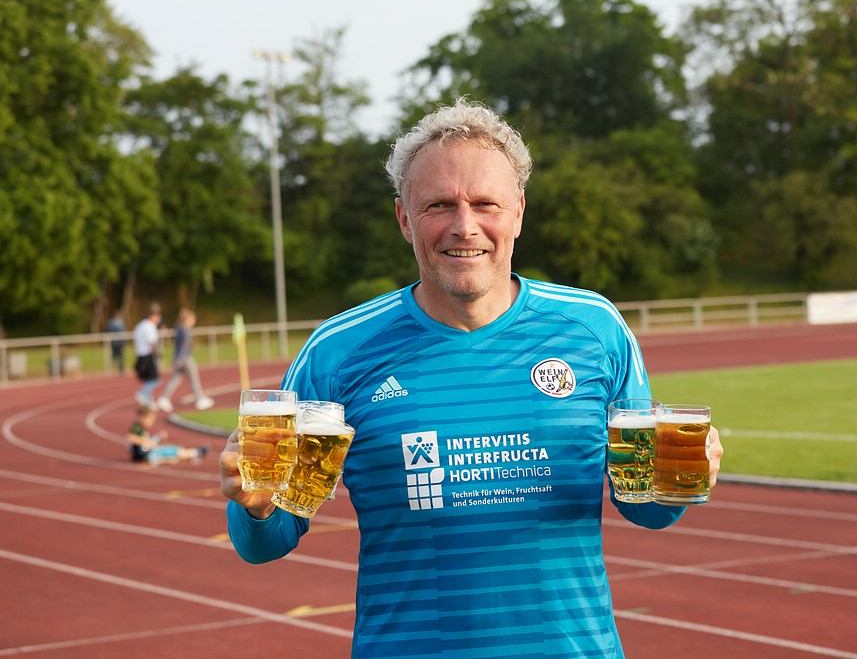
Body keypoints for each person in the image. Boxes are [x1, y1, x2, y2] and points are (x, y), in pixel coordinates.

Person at [219, 98, 724, 658]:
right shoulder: (337, 352)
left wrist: (680, 480)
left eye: (486, 203)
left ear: (518, 213)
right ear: (404, 219)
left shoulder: (594, 329)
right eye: (439, 205)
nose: (465, 226)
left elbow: (647, 509)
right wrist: (256, 507)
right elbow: (264, 543)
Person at [157, 308, 215, 412]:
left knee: (175, 379)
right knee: (193, 378)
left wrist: (187, 348)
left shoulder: (179, 328)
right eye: (192, 318)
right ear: (187, 319)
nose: (194, 320)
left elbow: (180, 344)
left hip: (179, 357)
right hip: (185, 358)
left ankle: (164, 398)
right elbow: (183, 346)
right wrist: (180, 359)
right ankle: (199, 399)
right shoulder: (185, 330)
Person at [128, 406, 209, 465]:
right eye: (150, 419)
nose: (151, 422)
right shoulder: (136, 428)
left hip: (148, 453)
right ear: (142, 417)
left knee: (173, 450)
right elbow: (131, 438)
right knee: (174, 451)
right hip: (147, 455)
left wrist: (158, 437)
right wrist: (147, 442)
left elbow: (149, 442)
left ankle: (193, 453)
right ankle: (195, 453)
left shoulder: (141, 430)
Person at [132, 302, 162, 407]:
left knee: (149, 379)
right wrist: (156, 354)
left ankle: (148, 401)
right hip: (147, 355)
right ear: (152, 316)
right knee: (154, 379)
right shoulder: (149, 326)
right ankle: (142, 394)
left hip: (140, 355)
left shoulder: (140, 325)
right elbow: (151, 342)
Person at [107, 308, 126, 374]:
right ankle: (110, 368)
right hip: (114, 342)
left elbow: (123, 332)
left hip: (119, 342)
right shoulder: (112, 323)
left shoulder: (121, 322)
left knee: (120, 356)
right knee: (114, 356)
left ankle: (121, 369)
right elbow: (110, 331)